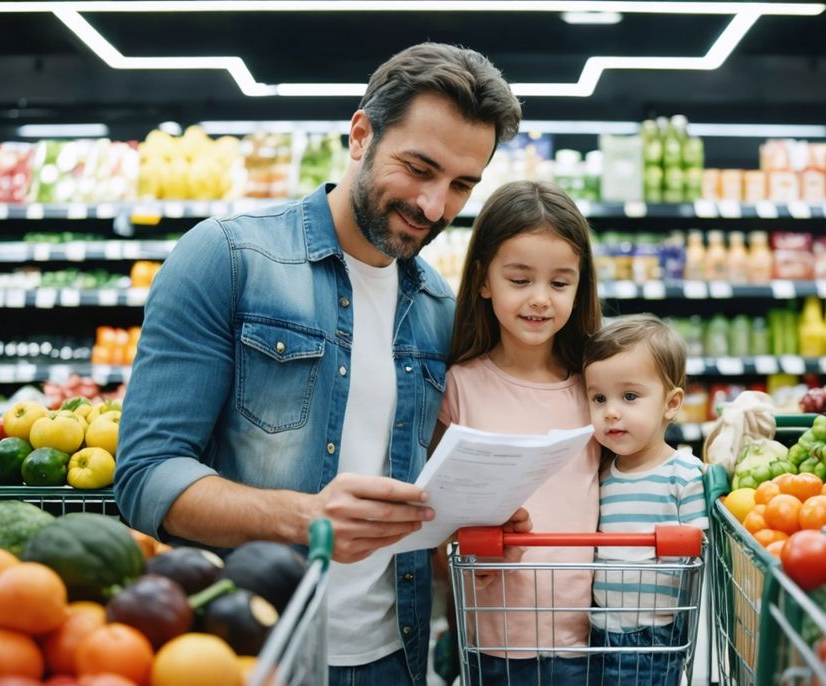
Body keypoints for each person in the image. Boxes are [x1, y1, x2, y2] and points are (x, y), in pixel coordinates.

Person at [114, 43, 524, 686]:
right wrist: (301, 518)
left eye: (461, 186)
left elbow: (421, 498)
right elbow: (146, 476)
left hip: (399, 656)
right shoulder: (227, 259)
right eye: (419, 168)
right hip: (256, 650)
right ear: (360, 134)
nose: (435, 206)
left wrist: (479, 514)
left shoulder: (443, 309)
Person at [435, 179, 603, 685]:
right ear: (484, 280)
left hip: (587, 637)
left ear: (580, 286)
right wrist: (470, 554)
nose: (540, 299)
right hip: (492, 638)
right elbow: (437, 520)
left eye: (559, 283)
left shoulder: (596, 391)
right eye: (519, 279)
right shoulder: (459, 386)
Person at [581, 314, 710, 686]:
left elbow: (697, 557)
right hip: (599, 631)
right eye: (599, 398)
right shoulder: (601, 473)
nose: (611, 411)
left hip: (655, 635)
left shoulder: (683, 474)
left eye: (630, 396)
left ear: (671, 403)